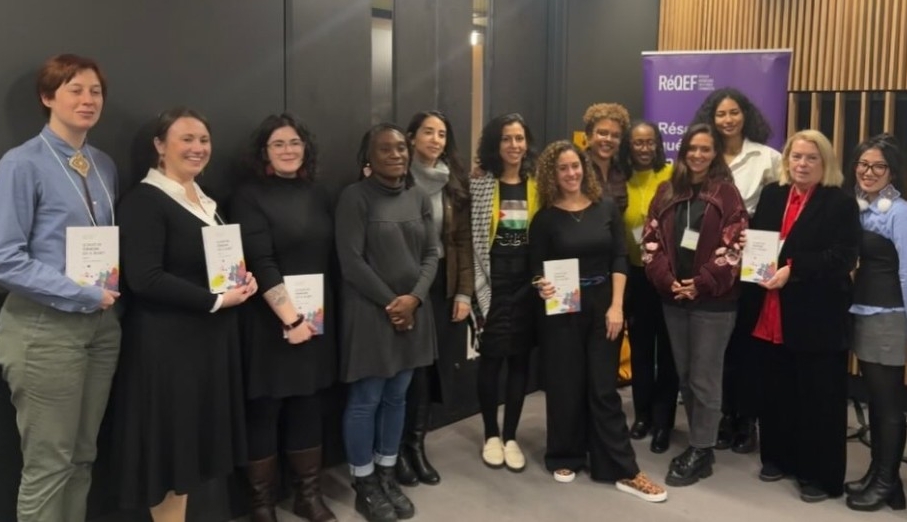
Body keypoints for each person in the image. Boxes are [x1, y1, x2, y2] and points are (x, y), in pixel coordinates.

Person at [113, 107, 258, 521]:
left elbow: (210, 265)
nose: (198, 148)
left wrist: (240, 283)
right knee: (171, 457)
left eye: (204, 140)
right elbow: (145, 278)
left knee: (192, 454)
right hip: (167, 350)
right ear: (160, 147)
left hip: (206, 346)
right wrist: (215, 301)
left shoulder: (204, 199)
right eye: (187, 139)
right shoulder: (144, 201)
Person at [0, 54, 120, 522]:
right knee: (49, 464)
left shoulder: (103, 164)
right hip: (43, 329)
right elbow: (6, 258)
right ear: (48, 98)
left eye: (95, 91)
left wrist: (101, 299)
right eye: (74, 89)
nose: (87, 100)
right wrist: (85, 294)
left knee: (83, 456)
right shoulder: (20, 164)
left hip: (101, 328)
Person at [530, 140, 667, 502]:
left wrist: (617, 306)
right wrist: (540, 284)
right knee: (564, 384)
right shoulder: (545, 218)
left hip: (604, 304)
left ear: (584, 168)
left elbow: (619, 260)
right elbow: (535, 268)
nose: (571, 173)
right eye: (563, 168)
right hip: (562, 308)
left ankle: (622, 468)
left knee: (604, 388)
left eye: (576, 166)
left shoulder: (606, 207)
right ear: (552, 174)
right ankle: (564, 454)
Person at [738, 129, 859, 502]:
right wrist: (749, 244)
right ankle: (779, 457)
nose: (802, 164)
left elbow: (844, 257)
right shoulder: (774, 195)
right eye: (796, 157)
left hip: (815, 315)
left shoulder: (839, 202)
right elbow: (762, 242)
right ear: (786, 160)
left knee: (818, 398)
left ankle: (819, 476)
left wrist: (794, 268)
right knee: (777, 389)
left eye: (811, 158)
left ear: (825, 163)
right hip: (770, 311)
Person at [230, 114, 337, 521]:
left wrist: (306, 321)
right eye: (278, 144)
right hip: (269, 321)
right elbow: (260, 260)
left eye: (294, 142)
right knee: (267, 409)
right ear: (264, 152)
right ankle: (261, 505)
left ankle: (307, 496)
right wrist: (290, 320)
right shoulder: (248, 195)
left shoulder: (317, 193)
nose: (289, 150)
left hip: (314, 319)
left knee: (308, 404)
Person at [335, 123, 438, 522]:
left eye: (400, 148)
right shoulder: (354, 198)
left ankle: (386, 473)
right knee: (366, 400)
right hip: (370, 314)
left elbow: (432, 253)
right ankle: (364, 483)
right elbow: (351, 262)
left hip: (413, 312)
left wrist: (413, 299)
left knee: (398, 396)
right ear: (368, 157)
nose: (396, 154)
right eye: (385, 149)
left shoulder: (419, 196)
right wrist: (392, 304)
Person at [641, 123, 748, 487]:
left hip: (714, 303)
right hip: (674, 299)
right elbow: (650, 241)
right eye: (692, 149)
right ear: (683, 151)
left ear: (715, 153)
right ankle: (701, 440)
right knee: (686, 374)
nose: (698, 155)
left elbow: (735, 248)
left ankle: (701, 449)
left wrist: (700, 283)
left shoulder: (728, 194)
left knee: (704, 378)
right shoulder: (667, 190)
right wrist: (668, 281)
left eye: (706, 149)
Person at [691, 87, 781, 452]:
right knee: (717, 344)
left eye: (734, 113)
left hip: (753, 259)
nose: (727, 120)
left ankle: (747, 419)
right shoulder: (704, 157)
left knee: (746, 341)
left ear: (746, 114)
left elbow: (778, 211)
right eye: (720, 114)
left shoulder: (769, 157)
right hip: (712, 260)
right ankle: (723, 415)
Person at [394, 111, 473, 487]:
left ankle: (416, 447)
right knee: (402, 370)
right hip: (402, 284)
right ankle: (392, 452)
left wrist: (463, 291)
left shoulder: (452, 181)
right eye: (428, 132)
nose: (436, 140)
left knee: (427, 370)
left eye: (442, 133)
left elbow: (461, 242)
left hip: (441, 282)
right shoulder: (394, 177)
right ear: (411, 137)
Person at [470, 113, 539, 472]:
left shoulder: (538, 186)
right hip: (492, 285)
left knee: (520, 361)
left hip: (528, 288)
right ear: (496, 145)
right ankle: (490, 434)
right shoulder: (480, 186)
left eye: (520, 138)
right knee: (492, 359)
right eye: (507, 139)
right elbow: (471, 240)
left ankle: (511, 435)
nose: (515, 145)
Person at [843, 134, 907, 512]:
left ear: (892, 172)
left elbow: (906, 272)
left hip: (889, 316)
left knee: (887, 404)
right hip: (866, 311)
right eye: (863, 165)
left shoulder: (899, 213)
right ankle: (882, 478)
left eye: (878, 166)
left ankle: (885, 481)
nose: (868, 172)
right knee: (878, 398)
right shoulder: (861, 208)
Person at [618, 120, 678, 453]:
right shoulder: (620, 179)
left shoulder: (671, 175)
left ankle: (663, 422)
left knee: (667, 351)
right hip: (635, 274)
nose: (644, 148)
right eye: (638, 143)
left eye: (649, 142)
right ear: (629, 146)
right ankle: (641, 415)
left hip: (667, 275)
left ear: (658, 144)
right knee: (640, 349)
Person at [582, 103, 630, 211]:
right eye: (602, 133)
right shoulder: (577, 168)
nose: (608, 139)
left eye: (615, 135)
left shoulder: (623, 170)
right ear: (589, 135)